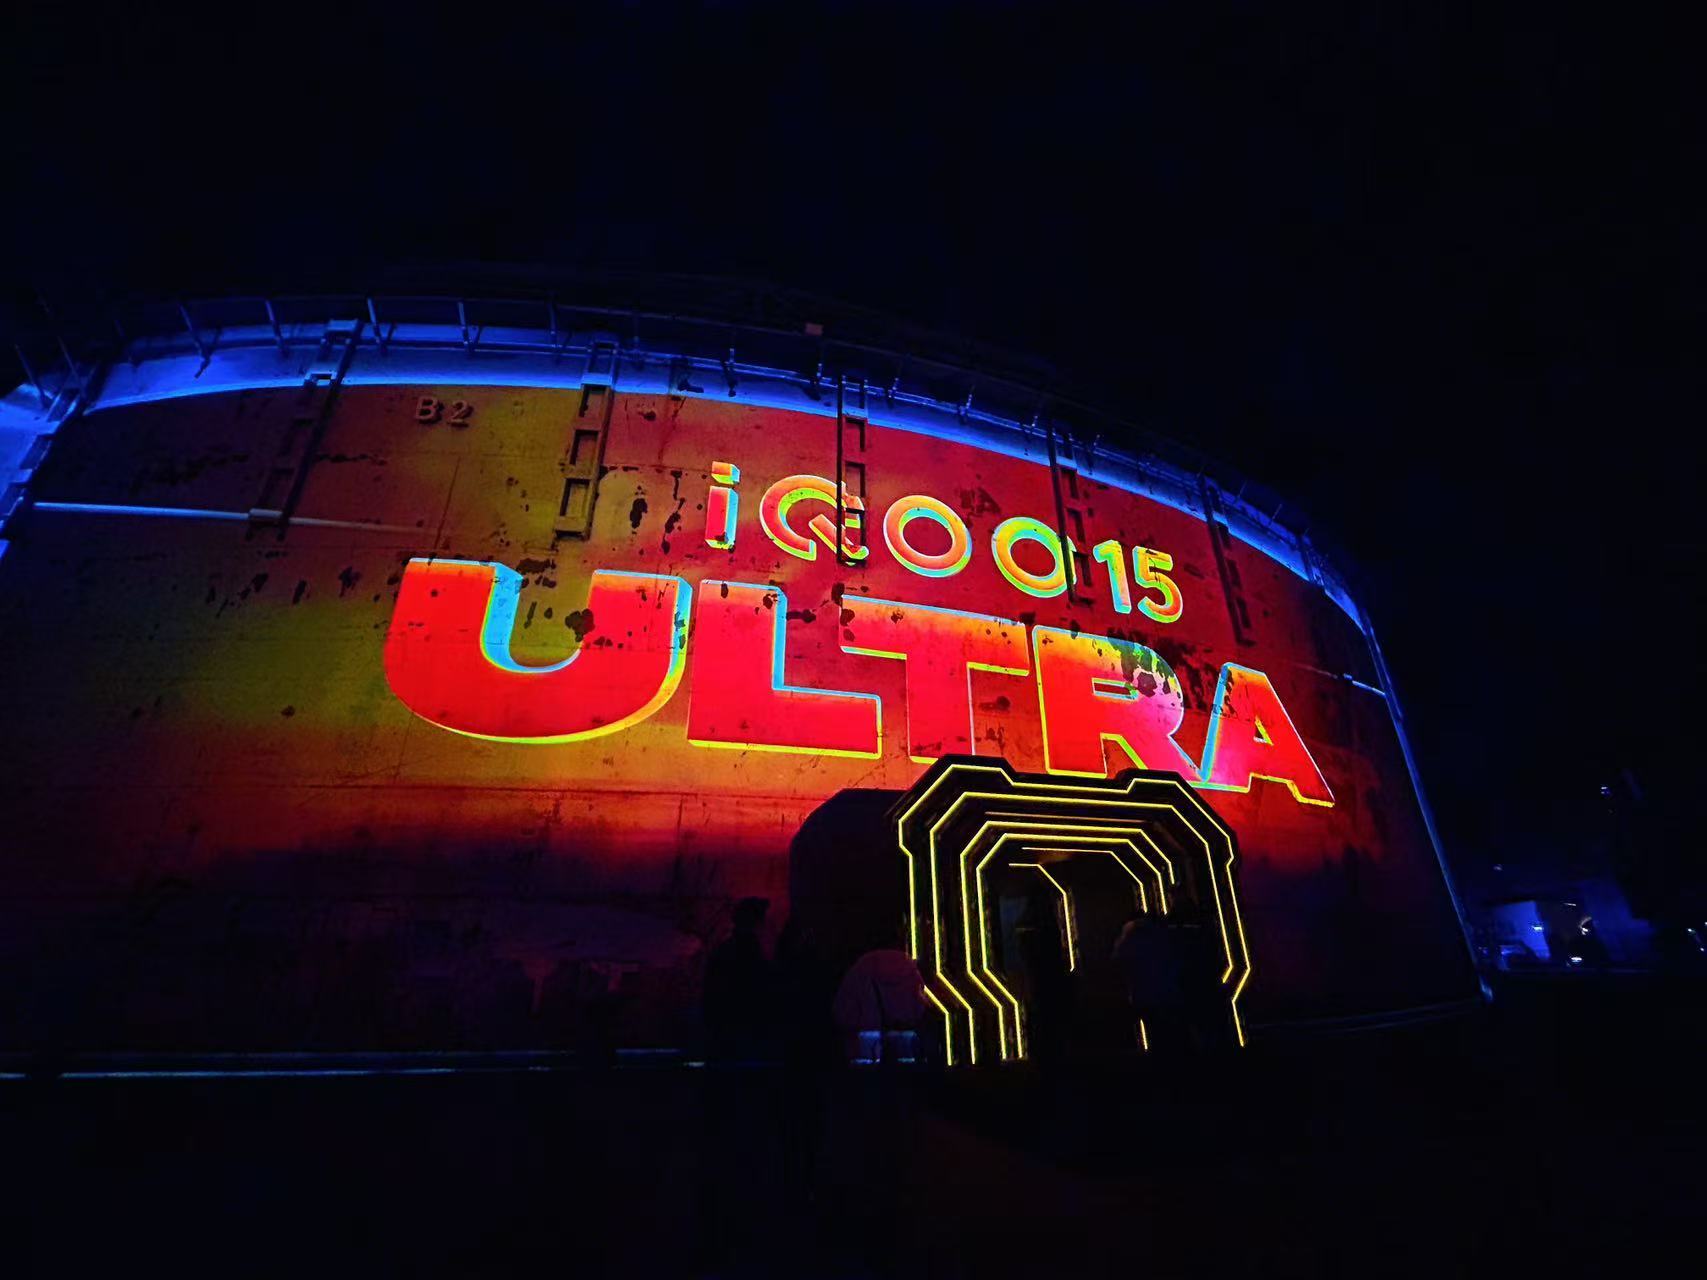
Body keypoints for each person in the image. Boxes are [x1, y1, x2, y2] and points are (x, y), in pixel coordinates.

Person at [702, 896, 774, 1062]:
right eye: (764, 921)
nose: (768, 927)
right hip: (744, 1039)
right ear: (757, 923)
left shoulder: (723, 952)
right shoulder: (752, 956)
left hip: (727, 1039)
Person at [1113, 907, 1185, 1054]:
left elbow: (1117, 958)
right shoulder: (1161, 933)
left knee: (1156, 1036)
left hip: (1146, 996)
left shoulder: (1131, 938)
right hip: (1168, 992)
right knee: (1172, 1037)